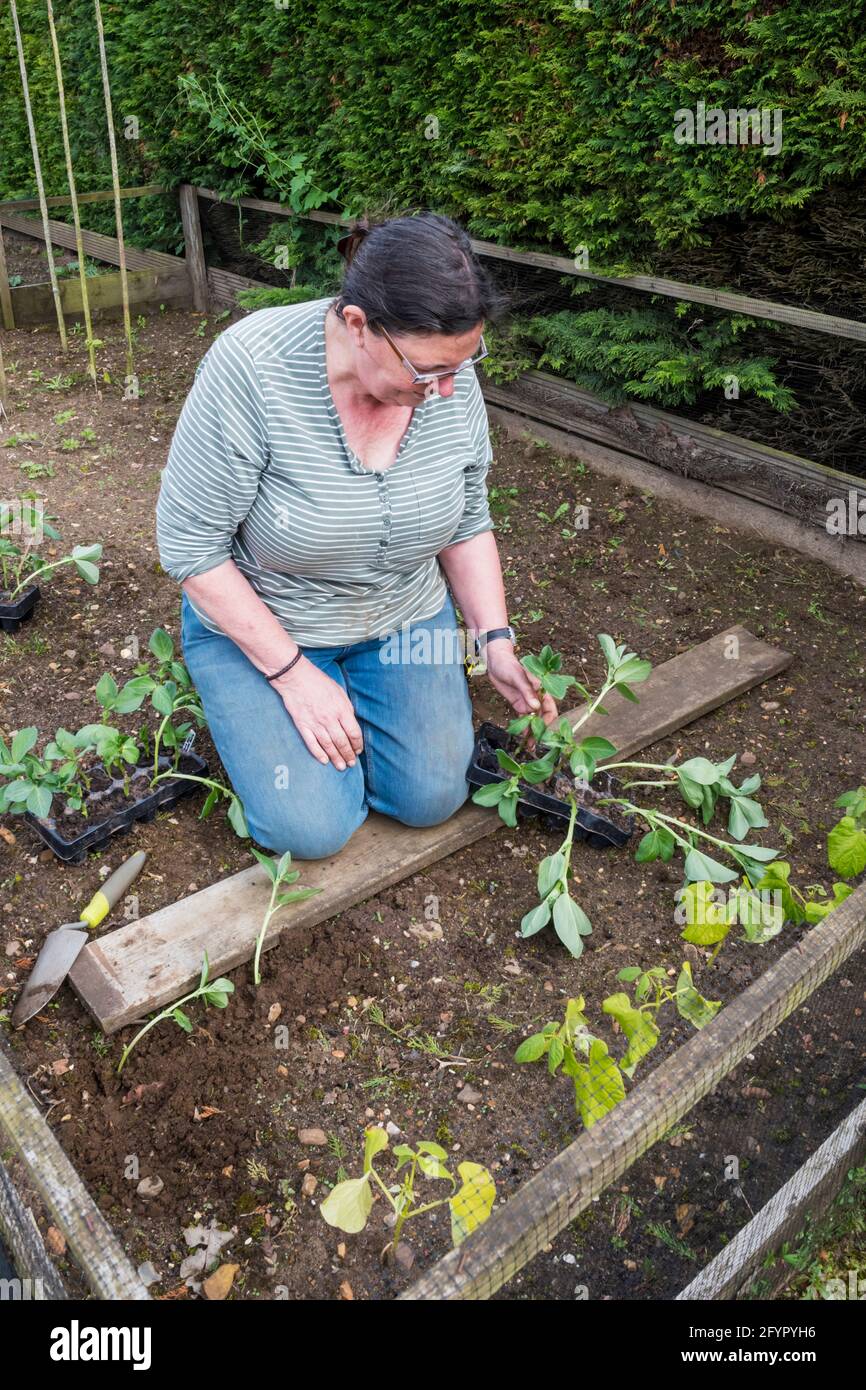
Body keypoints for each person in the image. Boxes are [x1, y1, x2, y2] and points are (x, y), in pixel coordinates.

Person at [156, 211, 556, 858]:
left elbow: (468, 520)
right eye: (426, 373)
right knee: (310, 829)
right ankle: (263, 704)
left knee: (434, 796)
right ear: (358, 326)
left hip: (401, 612)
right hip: (273, 618)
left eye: (464, 364)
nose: (449, 390)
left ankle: (360, 713)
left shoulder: (443, 371)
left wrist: (495, 641)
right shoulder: (251, 369)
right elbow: (192, 552)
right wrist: (292, 676)